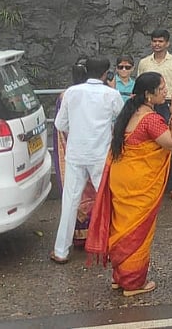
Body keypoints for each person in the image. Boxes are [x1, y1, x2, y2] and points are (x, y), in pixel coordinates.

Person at [85, 72, 172, 296]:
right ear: (149, 94)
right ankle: (133, 282)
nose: (165, 92)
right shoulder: (150, 119)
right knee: (137, 230)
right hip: (139, 183)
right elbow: (171, 143)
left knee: (122, 226)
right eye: (161, 88)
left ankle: (119, 277)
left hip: (121, 179)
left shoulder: (129, 111)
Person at [51, 56, 124, 264]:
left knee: (70, 202)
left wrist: (77, 131)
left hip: (76, 153)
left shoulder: (71, 93)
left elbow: (60, 124)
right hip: (100, 154)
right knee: (108, 199)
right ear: (105, 74)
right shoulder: (112, 94)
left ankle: (61, 251)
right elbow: (122, 119)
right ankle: (113, 244)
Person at [49, 58, 97, 251]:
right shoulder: (103, 94)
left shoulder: (66, 95)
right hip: (96, 152)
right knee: (99, 192)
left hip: (73, 150)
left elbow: (60, 125)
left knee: (73, 197)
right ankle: (100, 236)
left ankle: (63, 248)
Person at [136, 29, 172, 122]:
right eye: (154, 41)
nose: (157, 44)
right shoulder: (144, 62)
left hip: (167, 103)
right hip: (148, 103)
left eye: (160, 41)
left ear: (167, 43)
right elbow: (140, 86)